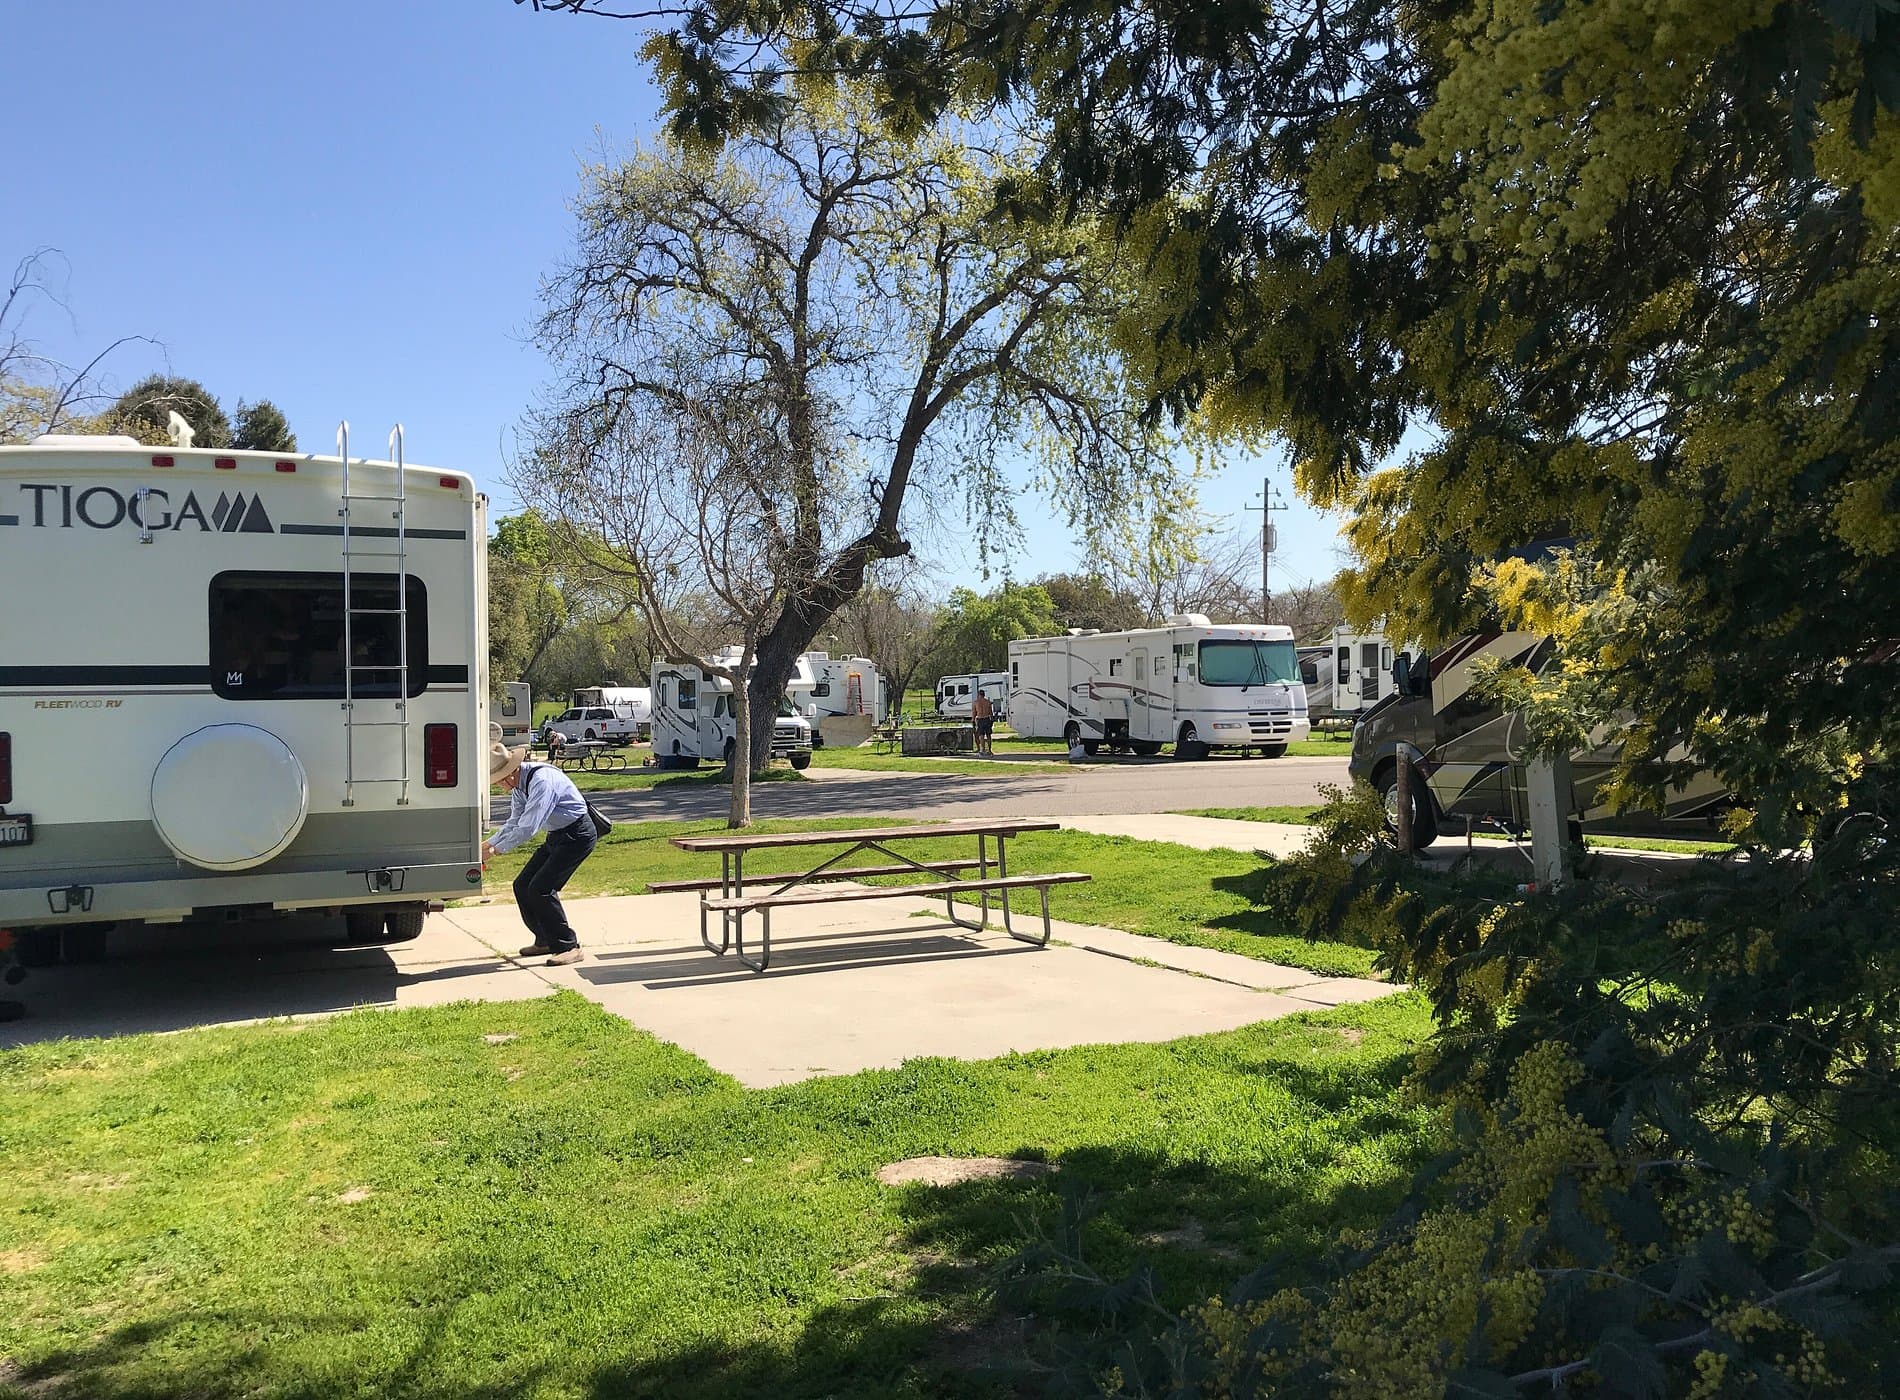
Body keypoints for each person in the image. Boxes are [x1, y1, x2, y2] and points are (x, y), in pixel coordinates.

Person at [483, 738, 597, 966]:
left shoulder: (542, 781)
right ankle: (545, 939)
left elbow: (528, 826)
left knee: (541, 889)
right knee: (522, 885)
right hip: (557, 836)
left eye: (498, 781)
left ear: (509, 774)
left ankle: (568, 946)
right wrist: (488, 844)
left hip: (578, 836)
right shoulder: (519, 785)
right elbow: (514, 821)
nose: (498, 786)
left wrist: (495, 851)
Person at [970, 688, 995, 755]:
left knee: (981, 735)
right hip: (987, 719)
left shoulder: (976, 702)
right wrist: (992, 720)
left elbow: (974, 713)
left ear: (978, 695)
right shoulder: (988, 702)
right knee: (988, 735)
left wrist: (973, 721)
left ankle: (982, 749)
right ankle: (989, 750)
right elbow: (990, 712)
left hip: (980, 719)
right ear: (984, 695)